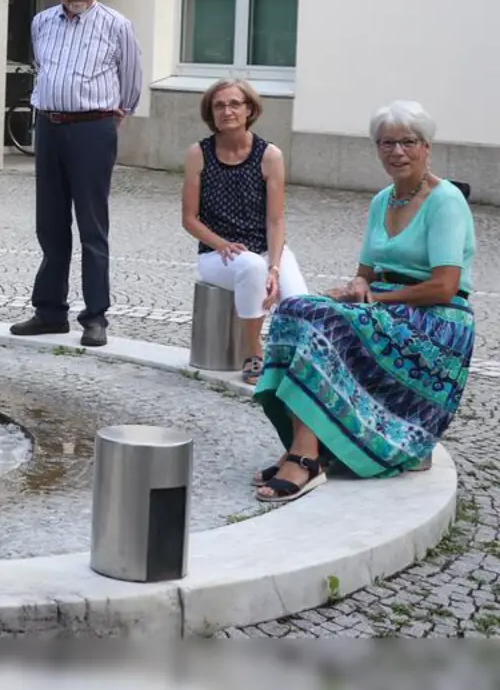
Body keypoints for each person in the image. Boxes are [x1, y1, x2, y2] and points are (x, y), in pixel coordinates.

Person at [251, 101, 475, 504]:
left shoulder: (446, 201)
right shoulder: (382, 201)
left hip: (438, 320)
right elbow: (366, 274)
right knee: (294, 309)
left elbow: (444, 286)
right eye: (386, 143)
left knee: (326, 323)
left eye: (408, 141)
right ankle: (311, 446)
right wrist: (355, 286)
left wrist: (379, 299)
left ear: (427, 147)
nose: (397, 151)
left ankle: (305, 457)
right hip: (389, 308)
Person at [10, 0, 143, 348]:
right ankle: (49, 311)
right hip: (49, 127)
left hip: (92, 129)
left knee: (91, 226)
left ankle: (95, 316)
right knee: (49, 224)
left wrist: (108, 120)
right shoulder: (42, 23)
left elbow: (132, 83)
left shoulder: (117, 25)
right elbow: (45, 67)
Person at [180, 79, 308, 383]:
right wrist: (221, 244)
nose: (227, 111)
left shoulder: (270, 155)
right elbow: (189, 218)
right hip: (218, 253)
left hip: (265, 249)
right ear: (211, 112)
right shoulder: (199, 153)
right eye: (220, 105)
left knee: (299, 303)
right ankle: (253, 352)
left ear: (249, 108)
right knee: (250, 265)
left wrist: (275, 267)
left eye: (235, 103)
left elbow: (276, 221)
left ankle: (295, 363)